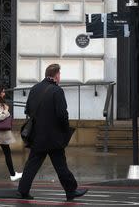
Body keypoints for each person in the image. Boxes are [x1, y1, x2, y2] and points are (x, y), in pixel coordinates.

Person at [16, 64, 87, 201]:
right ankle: (71, 191)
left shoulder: (35, 89)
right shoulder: (57, 91)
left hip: (37, 136)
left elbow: (28, 110)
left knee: (31, 165)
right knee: (61, 166)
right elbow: (62, 115)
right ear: (56, 75)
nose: (60, 77)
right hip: (53, 137)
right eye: (60, 74)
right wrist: (65, 130)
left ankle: (23, 190)